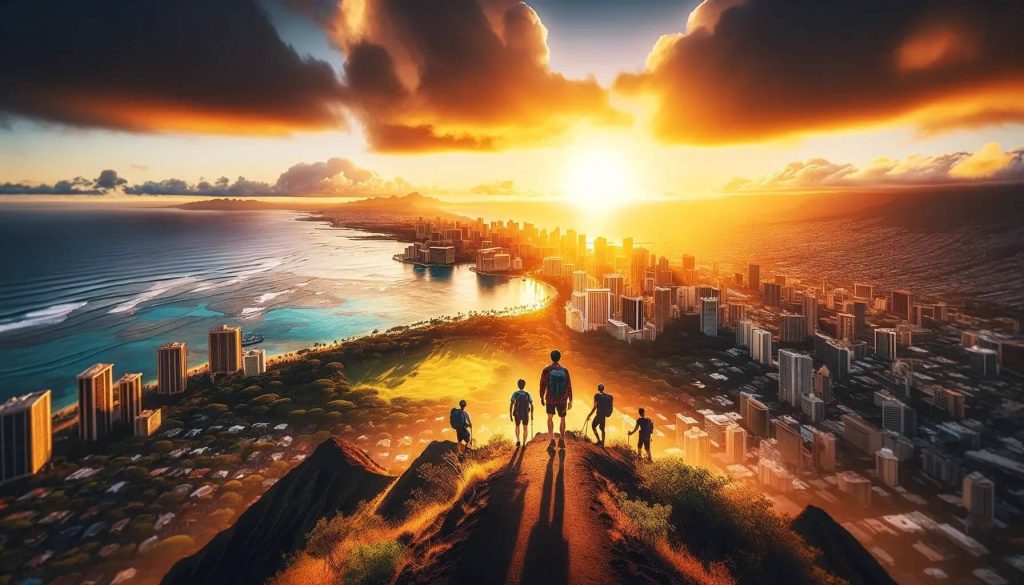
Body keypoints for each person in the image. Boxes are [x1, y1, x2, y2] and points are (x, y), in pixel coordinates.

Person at [539, 349, 572, 450]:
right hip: (562, 399)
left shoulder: (547, 369)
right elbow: (569, 385)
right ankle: (561, 440)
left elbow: (542, 384)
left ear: (551, 357)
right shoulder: (564, 370)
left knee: (550, 417)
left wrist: (541, 397)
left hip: (550, 398)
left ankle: (552, 440)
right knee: (562, 418)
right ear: (559, 358)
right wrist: (570, 399)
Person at [509, 379, 534, 447]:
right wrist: (531, 415)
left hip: (517, 413)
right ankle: (524, 443)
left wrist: (510, 414)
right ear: (524, 385)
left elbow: (511, 404)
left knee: (517, 426)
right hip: (525, 414)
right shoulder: (527, 394)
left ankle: (518, 440)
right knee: (525, 428)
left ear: (518, 385)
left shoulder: (515, 393)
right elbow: (531, 405)